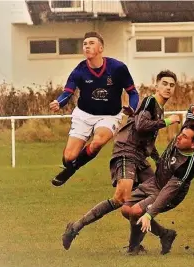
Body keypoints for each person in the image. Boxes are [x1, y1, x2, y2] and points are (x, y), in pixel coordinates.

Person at [61, 70, 182, 250]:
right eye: (164, 83)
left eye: (172, 85)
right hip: (127, 153)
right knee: (121, 198)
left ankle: (150, 240)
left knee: (146, 199)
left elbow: (146, 139)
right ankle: (75, 227)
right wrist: (167, 121)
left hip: (139, 158)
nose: (168, 88)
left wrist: (159, 160)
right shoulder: (150, 101)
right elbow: (141, 126)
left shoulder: (158, 107)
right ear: (156, 85)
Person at [50, 31, 139, 186]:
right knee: (69, 158)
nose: (87, 46)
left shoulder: (117, 68)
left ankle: (71, 170)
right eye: (85, 44)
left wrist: (132, 107)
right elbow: (68, 92)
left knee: (97, 142)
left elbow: (132, 92)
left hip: (109, 116)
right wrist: (59, 102)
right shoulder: (79, 70)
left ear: (101, 48)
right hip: (84, 114)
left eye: (91, 43)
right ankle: (70, 165)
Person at [121, 111, 194, 255]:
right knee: (126, 209)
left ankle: (133, 249)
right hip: (156, 182)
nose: (178, 137)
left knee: (136, 211)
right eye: (180, 134)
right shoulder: (182, 139)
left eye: (184, 137)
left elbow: (168, 191)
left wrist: (149, 214)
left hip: (169, 193)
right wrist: (192, 114)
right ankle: (164, 234)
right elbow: (186, 126)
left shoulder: (188, 165)